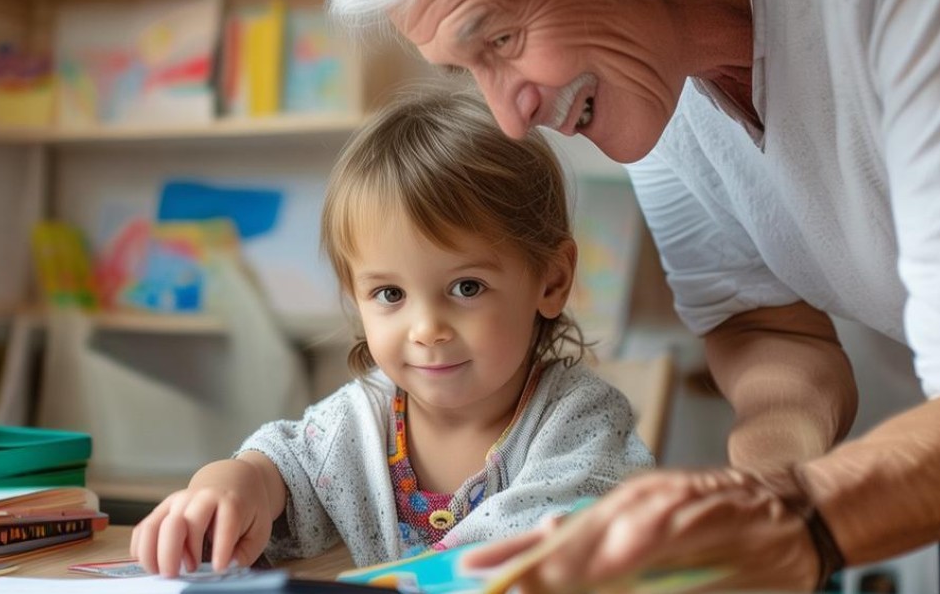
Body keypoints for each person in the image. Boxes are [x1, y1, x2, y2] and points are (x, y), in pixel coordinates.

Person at [325, 0, 940, 591]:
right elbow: (768, 326)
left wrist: (794, 518)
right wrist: (758, 487)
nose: (510, 118)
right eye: (470, 69)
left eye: (500, 39)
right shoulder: (646, 64)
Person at [129, 88, 653, 576]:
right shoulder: (360, 422)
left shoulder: (580, 419)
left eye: (467, 287)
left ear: (551, 279)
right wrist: (227, 486)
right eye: (390, 295)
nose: (426, 330)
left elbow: (548, 534)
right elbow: (285, 464)